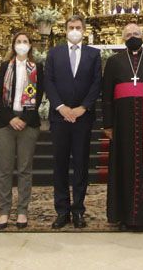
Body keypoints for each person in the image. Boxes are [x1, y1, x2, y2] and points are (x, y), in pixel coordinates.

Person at [103, 23, 143, 230]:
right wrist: (107, 124)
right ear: (122, 37)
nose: (133, 36)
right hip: (122, 124)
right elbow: (106, 95)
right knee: (124, 165)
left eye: (136, 33)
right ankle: (124, 216)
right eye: (129, 34)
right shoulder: (113, 61)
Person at [43, 14, 101, 228]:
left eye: (78, 27)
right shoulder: (54, 53)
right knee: (59, 164)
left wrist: (82, 108)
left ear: (83, 30)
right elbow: (48, 81)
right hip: (60, 117)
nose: (74, 30)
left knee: (80, 164)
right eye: (71, 27)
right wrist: (61, 107)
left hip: (83, 118)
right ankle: (61, 210)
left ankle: (78, 210)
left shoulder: (93, 54)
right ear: (65, 30)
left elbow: (96, 83)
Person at [0, 31, 45, 230]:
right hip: (5, 123)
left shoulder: (37, 68)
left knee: (24, 169)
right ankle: (4, 211)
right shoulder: (5, 67)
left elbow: (38, 97)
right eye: (18, 41)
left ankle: (22, 210)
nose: (22, 44)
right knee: (5, 170)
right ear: (13, 45)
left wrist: (23, 119)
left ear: (30, 45)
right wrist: (11, 118)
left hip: (28, 123)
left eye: (25, 41)